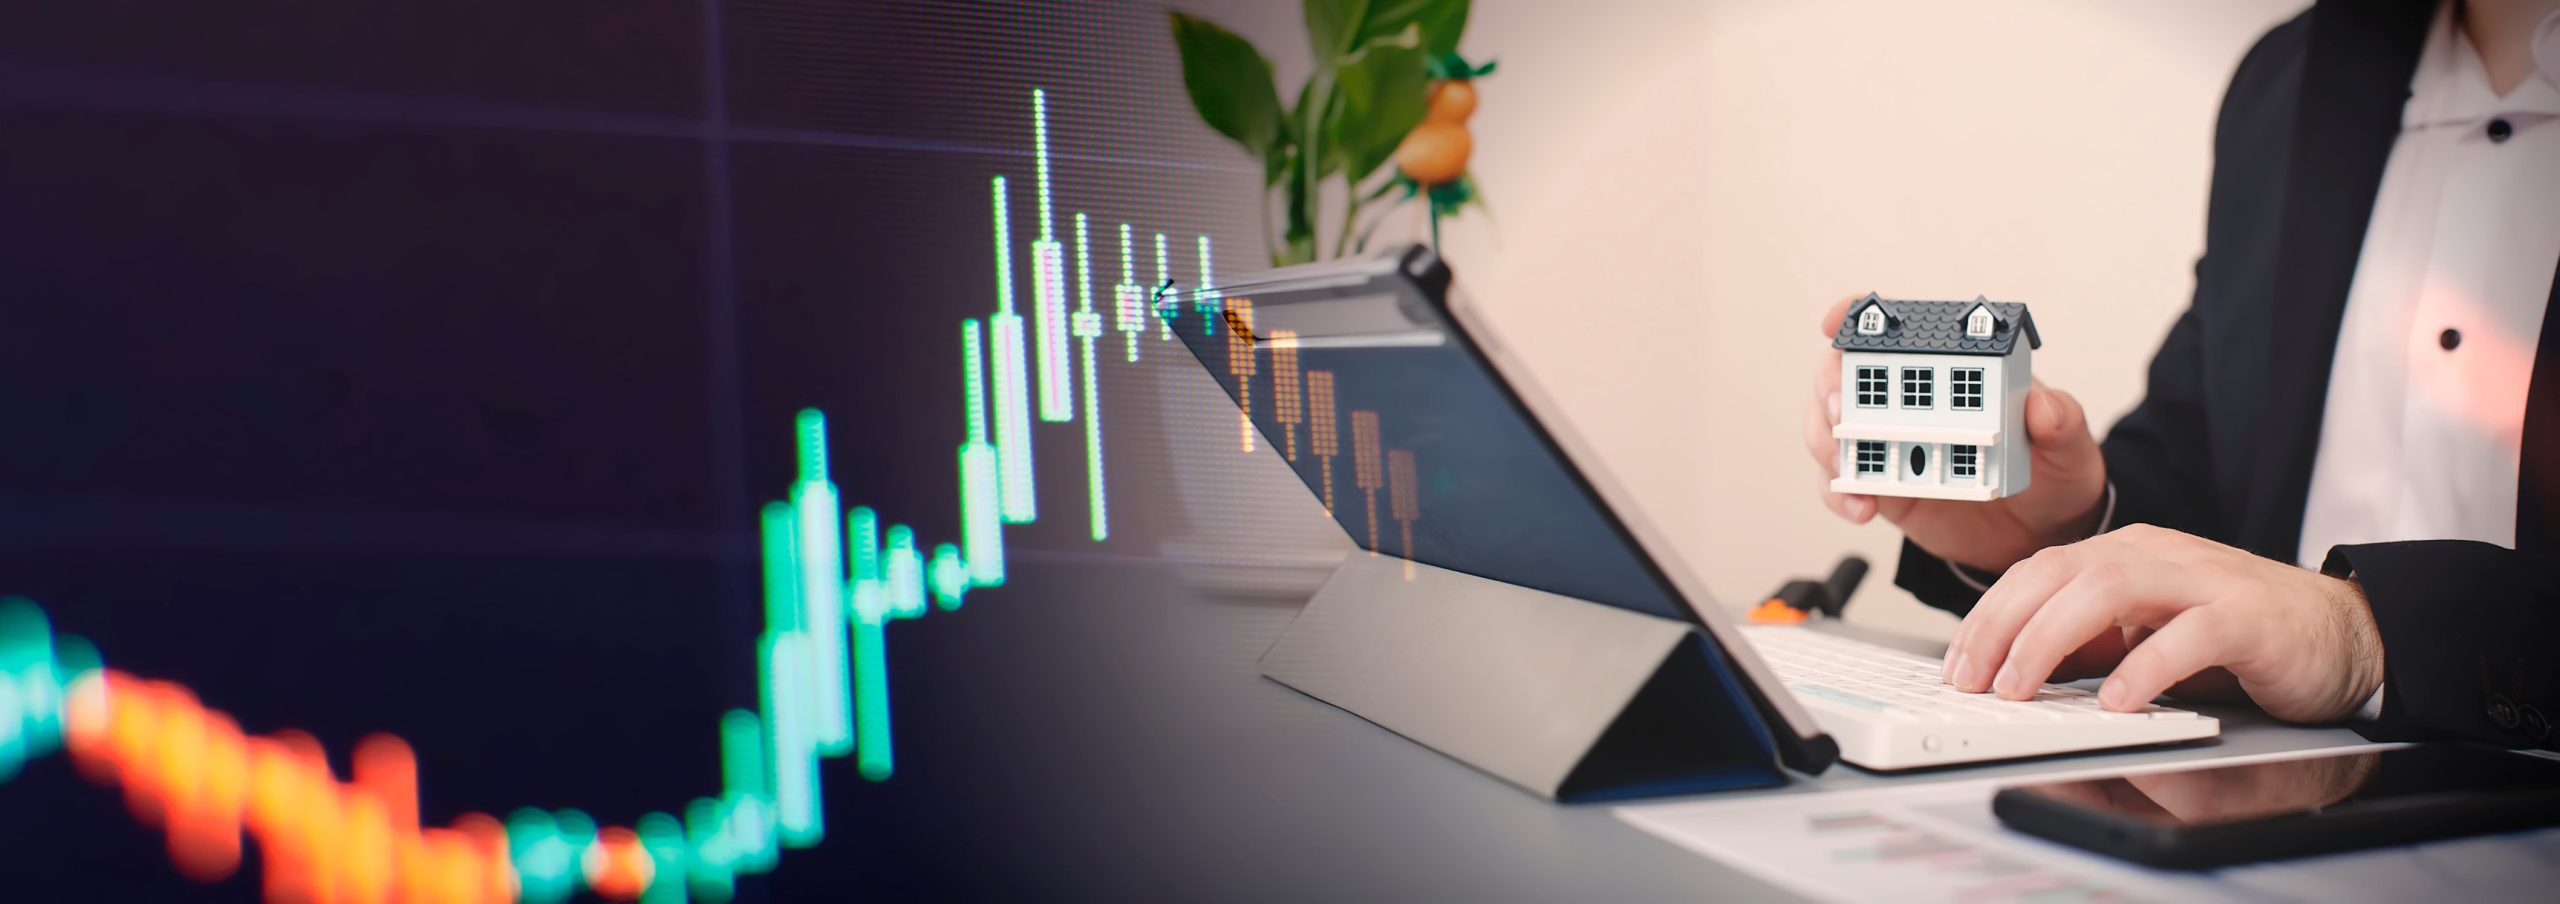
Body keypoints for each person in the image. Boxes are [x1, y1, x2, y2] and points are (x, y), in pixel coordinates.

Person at [1803, 0, 2560, 748]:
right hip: (2264, 782)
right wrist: (2065, 528)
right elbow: (2210, 483)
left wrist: (2362, 632)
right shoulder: (2288, 78)